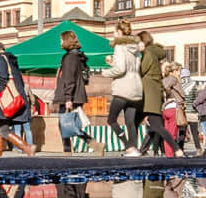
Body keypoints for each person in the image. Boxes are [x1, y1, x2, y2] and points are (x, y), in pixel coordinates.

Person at [97, 22, 144, 151]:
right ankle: (133, 149)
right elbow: (132, 67)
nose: (113, 34)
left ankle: (127, 144)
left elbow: (121, 69)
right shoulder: (134, 49)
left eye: (115, 31)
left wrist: (105, 72)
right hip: (136, 88)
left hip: (123, 89)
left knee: (111, 119)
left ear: (119, 32)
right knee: (130, 122)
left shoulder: (119, 46)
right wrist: (113, 64)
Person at [135, 30, 181, 155]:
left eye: (138, 42)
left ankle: (176, 149)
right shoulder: (153, 53)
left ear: (143, 42)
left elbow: (140, 71)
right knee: (153, 125)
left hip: (150, 95)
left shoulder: (148, 54)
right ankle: (136, 149)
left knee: (154, 125)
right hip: (152, 95)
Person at [0, 41, 36, 156]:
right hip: (14, 97)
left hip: (3, 99)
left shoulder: (0, 59)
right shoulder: (11, 60)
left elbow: (2, 79)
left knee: (2, 128)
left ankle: (27, 147)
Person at [53, 29, 90, 152]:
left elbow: (69, 78)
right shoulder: (78, 56)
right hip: (76, 94)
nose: (60, 42)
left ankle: (67, 151)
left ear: (67, 41)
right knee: (71, 124)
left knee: (64, 124)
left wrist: (68, 98)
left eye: (61, 40)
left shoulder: (69, 58)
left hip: (70, 96)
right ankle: (93, 144)